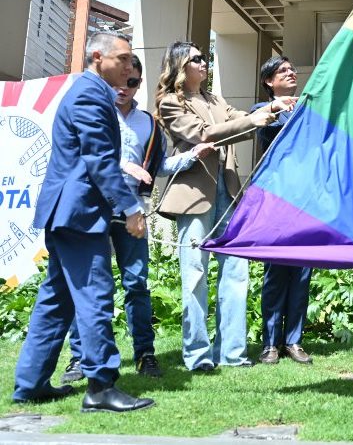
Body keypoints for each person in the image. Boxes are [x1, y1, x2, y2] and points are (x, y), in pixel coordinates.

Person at [12, 31, 154, 413]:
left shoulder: (91, 91)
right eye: (122, 59)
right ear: (97, 57)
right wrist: (131, 208)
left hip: (71, 213)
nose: (129, 67)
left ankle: (30, 384)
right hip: (78, 214)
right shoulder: (90, 94)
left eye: (130, 60)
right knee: (95, 295)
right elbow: (100, 161)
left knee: (56, 300)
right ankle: (101, 387)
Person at [60, 54, 214, 384]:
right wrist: (122, 165)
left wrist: (191, 156)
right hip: (93, 207)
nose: (123, 87)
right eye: (117, 81)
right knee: (88, 285)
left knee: (137, 284)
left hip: (132, 212)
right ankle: (79, 357)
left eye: (130, 82)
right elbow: (84, 154)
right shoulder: (96, 113)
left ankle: (145, 354)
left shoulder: (149, 123)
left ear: (139, 84)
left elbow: (160, 167)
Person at [154, 41, 295, 372]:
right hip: (193, 196)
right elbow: (203, 133)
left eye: (205, 58)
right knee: (195, 276)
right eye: (196, 59)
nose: (204, 62)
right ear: (180, 66)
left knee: (236, 272)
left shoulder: (216, 100)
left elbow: (241, 118)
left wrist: (273, 108)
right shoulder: (171, 102)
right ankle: (197, 356)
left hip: (228, 192)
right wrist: (258, 117)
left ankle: (232, 354)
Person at [252, 56, 312, 365]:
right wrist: (280, 108)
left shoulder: (309, 109)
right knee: (275, 272)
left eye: (292, 69)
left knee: (302, 273)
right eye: (282, 71)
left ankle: (294, 341)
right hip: (276, 200)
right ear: (269, 81)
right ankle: (270, 343)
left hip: (306, 200)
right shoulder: (262, 111)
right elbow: (271, 130)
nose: (291, 73)